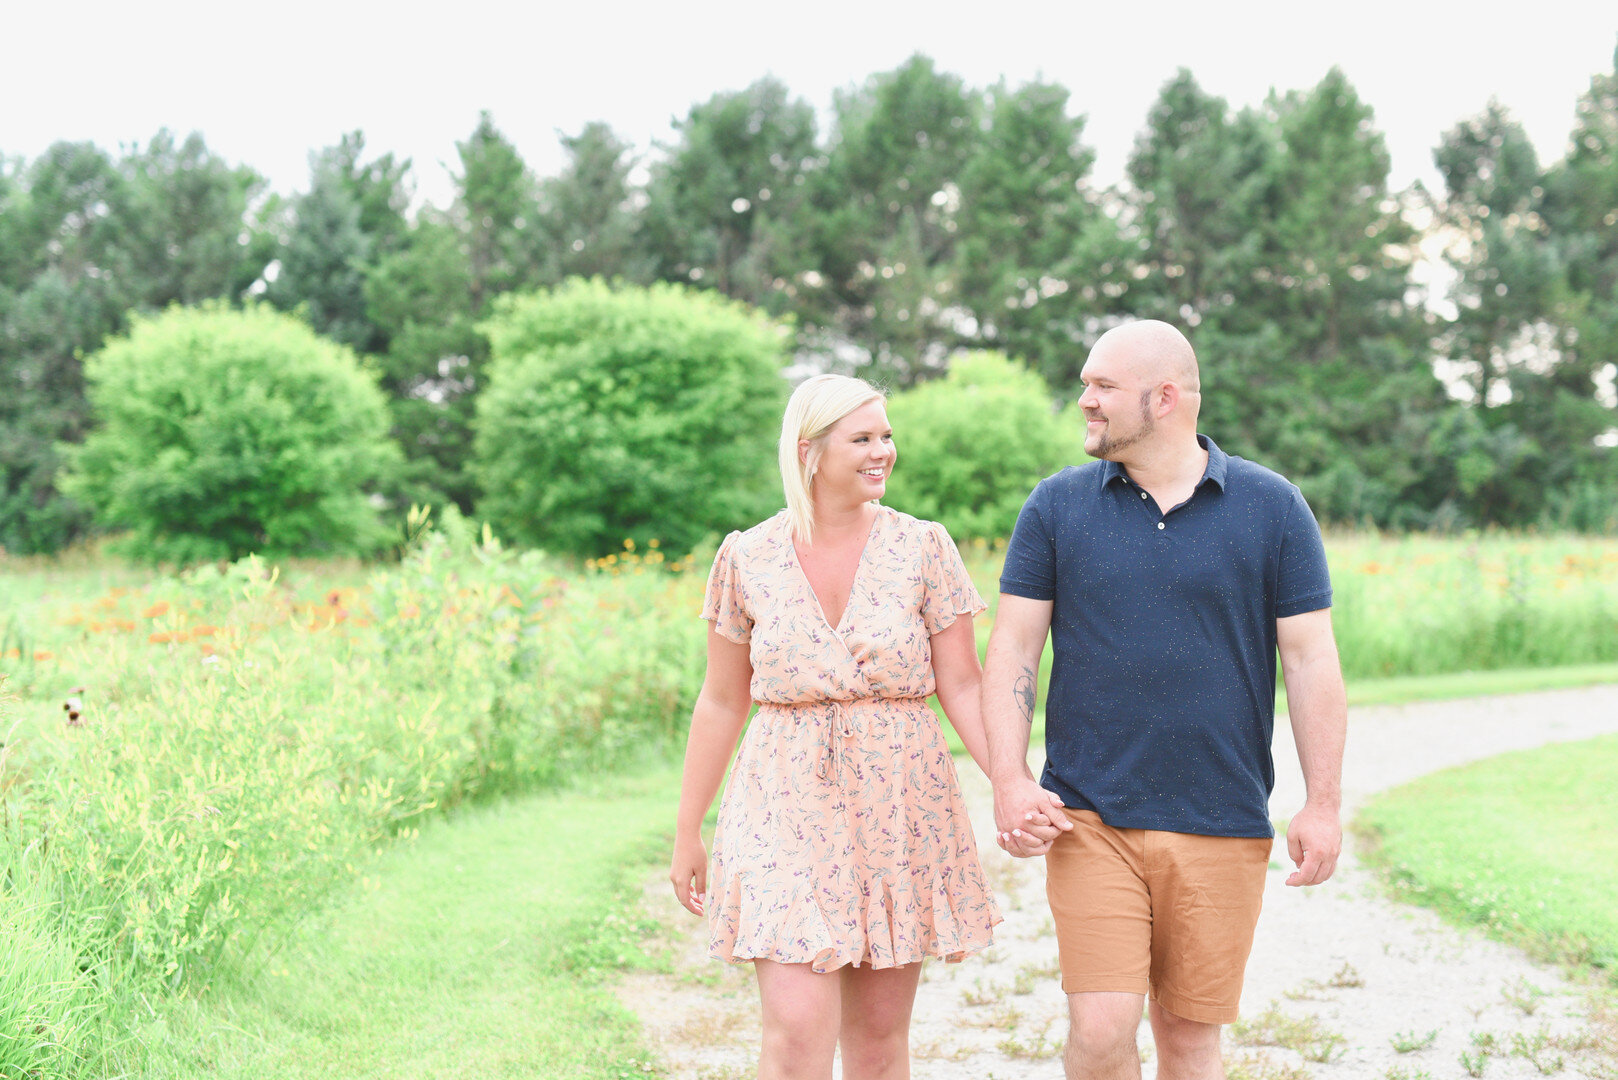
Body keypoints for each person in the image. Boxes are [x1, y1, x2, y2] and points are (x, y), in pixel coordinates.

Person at [982, 320, 1348, 1080]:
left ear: (1166, 397)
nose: (1084, 400)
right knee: (1102, 1030)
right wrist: (1011, 780)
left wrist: (1323, 802)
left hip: (1222, 816)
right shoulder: (1055, 507)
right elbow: (1014, 648)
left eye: (1102, 387)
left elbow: (1312, 659)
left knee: (1187, 1037)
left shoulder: (1273, 506)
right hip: (1091, 817)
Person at [671, 374, 1057, 1080]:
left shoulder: (924, 548)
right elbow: (721, 701)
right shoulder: (746, 556)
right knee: (795, 1031)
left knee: (879, 1044)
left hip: (898, 804)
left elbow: (963, 683)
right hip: (781, 801)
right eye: (864, 438)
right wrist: (688, 827)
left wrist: (1011, 778)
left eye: (886, 435)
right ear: (810, 450)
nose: (884, 450)